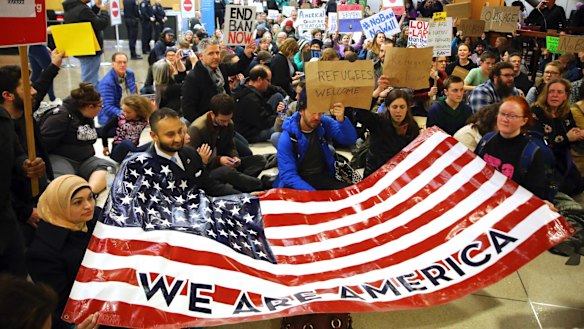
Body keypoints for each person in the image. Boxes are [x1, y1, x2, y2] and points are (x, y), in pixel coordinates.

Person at [26, 175, 98, 329]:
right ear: (60, 205)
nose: (88, 206)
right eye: (78, 202)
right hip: (86, 316)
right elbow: (59, 306)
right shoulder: (43, 253)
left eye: (90, 198)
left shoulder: (92, 220)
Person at [273, 86, 358, 190]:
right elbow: (289, 176)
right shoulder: (287, 138)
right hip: (299, 181)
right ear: (301, 111)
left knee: (351, 193)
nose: (317, 117)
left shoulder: (322, 122)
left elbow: (349, 139)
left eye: (320, 112)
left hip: (322, 176)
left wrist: (341, 119)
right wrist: (315, 195)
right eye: (313, 112)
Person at [40, 83, 115, 193]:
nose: (100, 109)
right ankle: (75, 194)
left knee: (108, 168)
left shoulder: (86, 116)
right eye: (100, 106)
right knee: (64, 182)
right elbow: (43, 144)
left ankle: (89, 193)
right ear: (90, 106)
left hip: (84, 160)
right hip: (61, 158)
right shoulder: (60, 117)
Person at [475, 97, 553, 201]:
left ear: (524, 121)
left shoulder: (531, 153)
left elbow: (536, 194)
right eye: (502, 114)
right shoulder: (486, 140)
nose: (505, 119)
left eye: (512, 116)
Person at [0, 101, 46, 277]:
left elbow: (16, 153)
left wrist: (26, 165)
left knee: (15, 281)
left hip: (6, 220)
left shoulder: (3, 118)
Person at [149, 107, 239, 196]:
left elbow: (209, 185)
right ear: (154, 136)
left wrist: (243, 197)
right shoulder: (147, 167)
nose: (178, 138)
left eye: (180, 131)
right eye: (170, 134)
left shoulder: (190, 153)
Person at [188, 94, 267, 193]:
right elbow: (192, 159)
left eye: (228, 119)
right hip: (209, 169)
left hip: (226, 162)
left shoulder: (229, 123)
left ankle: (241, 183)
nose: (225, 124)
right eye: (222, 120)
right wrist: (218, 160)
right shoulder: (197, 129)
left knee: (259, 160)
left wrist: (235, 157)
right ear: (213, 114)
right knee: (228, 172)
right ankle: (260, 184)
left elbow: (231, 145)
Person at [181, 38, 255, 123]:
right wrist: (208, 124)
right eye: (211, 54)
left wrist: (247, 54)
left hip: (228, 116)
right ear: (201, 56)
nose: (215, 57)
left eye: (217, 53)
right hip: (208, 124)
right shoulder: (193, 77)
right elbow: (188, 110)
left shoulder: (221, 67)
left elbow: (238, 67)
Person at [531, 78, 584, 196]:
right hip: (544, 161)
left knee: (579, 185)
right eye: (551, 92)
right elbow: (539, 144)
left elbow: (572, 129)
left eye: (559, 92)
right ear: (545, 94)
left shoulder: (565, 112)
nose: (554, 95)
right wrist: (567, 138)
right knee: (568, 188)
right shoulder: (536, 111)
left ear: (565, 96)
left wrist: (578, 133)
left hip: (563, 158)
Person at [357, 85, 420, 178]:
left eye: (402, 107)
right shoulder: (378, 121)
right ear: (388, 107)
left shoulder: (412, 126)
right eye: (394, 107)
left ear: (408, 108)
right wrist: (376, 93)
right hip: (375, 173)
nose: (398, 111)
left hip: (398, 173)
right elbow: (360, 114)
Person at [62, 0, 110, 87]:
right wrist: (104, 11)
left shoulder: (71, 8)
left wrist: (95, 8)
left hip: (81, 47)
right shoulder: (82, 9)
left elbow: (87, 20)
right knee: (90, 81)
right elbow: (100, 24)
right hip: (90, 49)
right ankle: (89, 99)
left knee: (90, 77)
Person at [232, 65, 285, 143]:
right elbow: (263, 122)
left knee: (278, 96)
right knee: (283, 128)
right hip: (251, 133)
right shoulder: (249, 99)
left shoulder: (246, 87)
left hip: (257, 121)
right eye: (268, 80)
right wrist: (279, 119)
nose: (269, 84)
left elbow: (275, 89)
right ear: (259, 79)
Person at [101, 95, 153, 163]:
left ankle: (138, 154)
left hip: (131, 152)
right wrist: (105, 146)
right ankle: (138, 153)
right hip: (118, 152)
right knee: (127, 142)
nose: (125, 114)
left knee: (155, 142)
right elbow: (104, 130)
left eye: (128, 112)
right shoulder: (119, 118)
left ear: (138, 111)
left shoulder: (143, 121)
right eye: (123, 111)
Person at [97, 52, 138, 126]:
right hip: (110, 118)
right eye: (119, 62)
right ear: (113, 64)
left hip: (128, 110)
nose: (122, 65)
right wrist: (126, 115)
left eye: (124, 62)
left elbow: (134, 95)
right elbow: (107, 107)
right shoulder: (106, 83)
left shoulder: (130, 74)